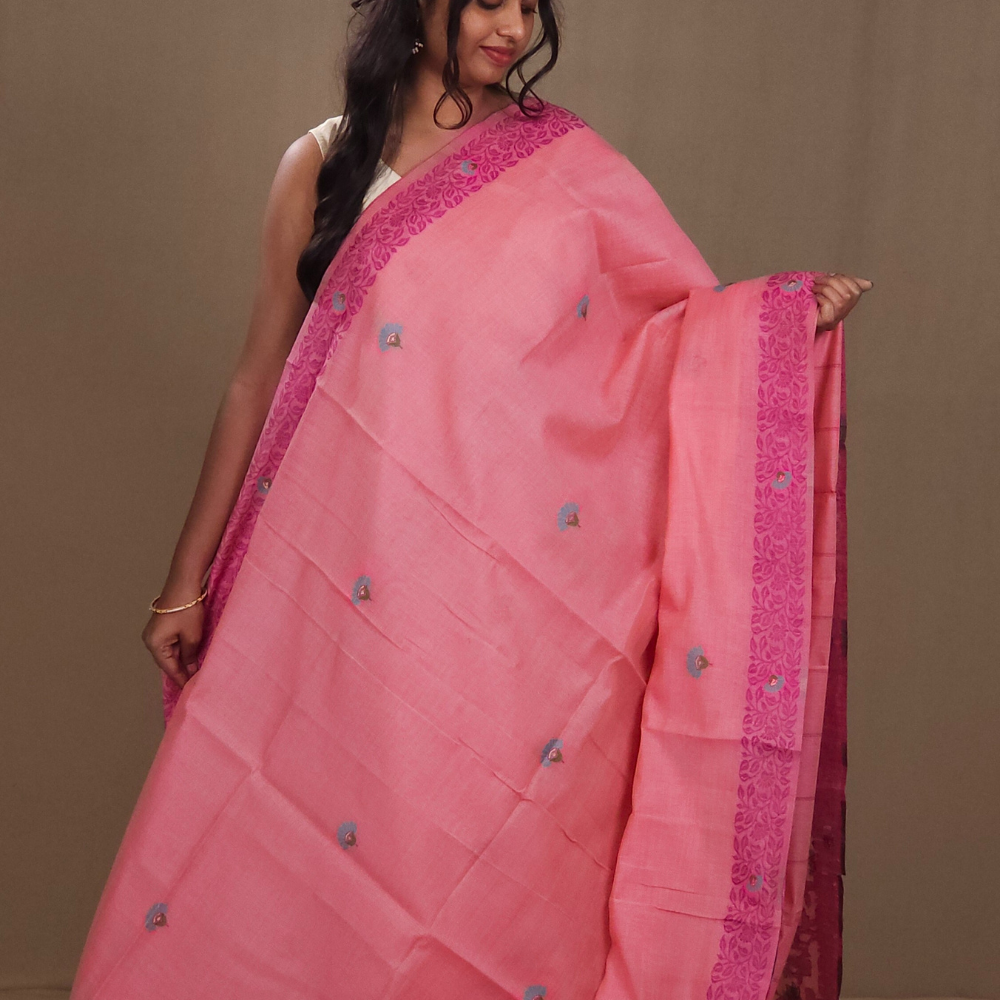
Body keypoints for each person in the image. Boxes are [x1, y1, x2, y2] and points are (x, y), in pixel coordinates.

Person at [71, 1, 872, 997]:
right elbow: (257, 376)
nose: (513, 27)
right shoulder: (323, 165)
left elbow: (664, 336)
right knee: (311, 844)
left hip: (493, 609)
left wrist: (776, 324)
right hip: (335, 591)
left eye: (530, 5)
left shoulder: (565, 168)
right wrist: (184, 580)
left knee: (465, 853)